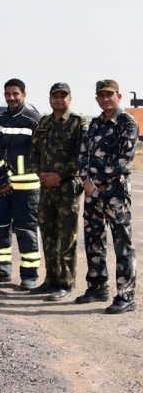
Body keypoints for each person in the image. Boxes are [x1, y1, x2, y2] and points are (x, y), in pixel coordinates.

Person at [77, 79, 138, 314]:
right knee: (93, 239)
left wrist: (95, 181)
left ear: (118, 97)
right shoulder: (94, 124)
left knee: (122, 243)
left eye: (109, 94)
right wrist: (85, 178)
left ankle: (126, 295)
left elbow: (124, 161)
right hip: (92, 193)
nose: (105, 99)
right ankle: (97, 286)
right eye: (101, 95)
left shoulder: (127, 123)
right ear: (96, 98)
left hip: (116, 193)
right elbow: (83, 154)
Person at [0, 78, 42, 290]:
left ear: (24, 94)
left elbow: (43, 154)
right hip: (0, 187)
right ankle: (0, 272)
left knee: (26, 232)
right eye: (8, 94)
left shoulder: (34, 120)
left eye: (15, 94)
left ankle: (30, 276)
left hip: (26, 189)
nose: (11, 98)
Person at [29, 82, 87, 300]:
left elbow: (81, 156)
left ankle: (65, 282)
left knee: (67, 237)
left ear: (69, 98)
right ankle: (51, 279)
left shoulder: (78, 123)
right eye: (55, 96)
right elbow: (33, 150)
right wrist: (40, 174)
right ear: (50, 99)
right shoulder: (44, 122)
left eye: (63, 96)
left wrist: (59, 176)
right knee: (48, 235)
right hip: (46, 187)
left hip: (67, 187)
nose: (59, 100)